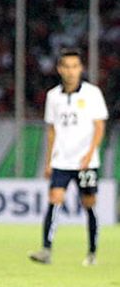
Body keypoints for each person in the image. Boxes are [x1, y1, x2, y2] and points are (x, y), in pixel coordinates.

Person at [29, 48, 108, 266]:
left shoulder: (92, 93)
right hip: (62, 160)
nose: (71, 71)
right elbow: (52, 130)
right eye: (67, 67)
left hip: (86, 162)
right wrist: (48, 162)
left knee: (89, 204)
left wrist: (90, 154)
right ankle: (46, 249)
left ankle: (92, 252)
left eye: (75, 66)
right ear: (59, 69)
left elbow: (99, 127)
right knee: (54, 199)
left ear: (81, 69)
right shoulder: (53, 96)